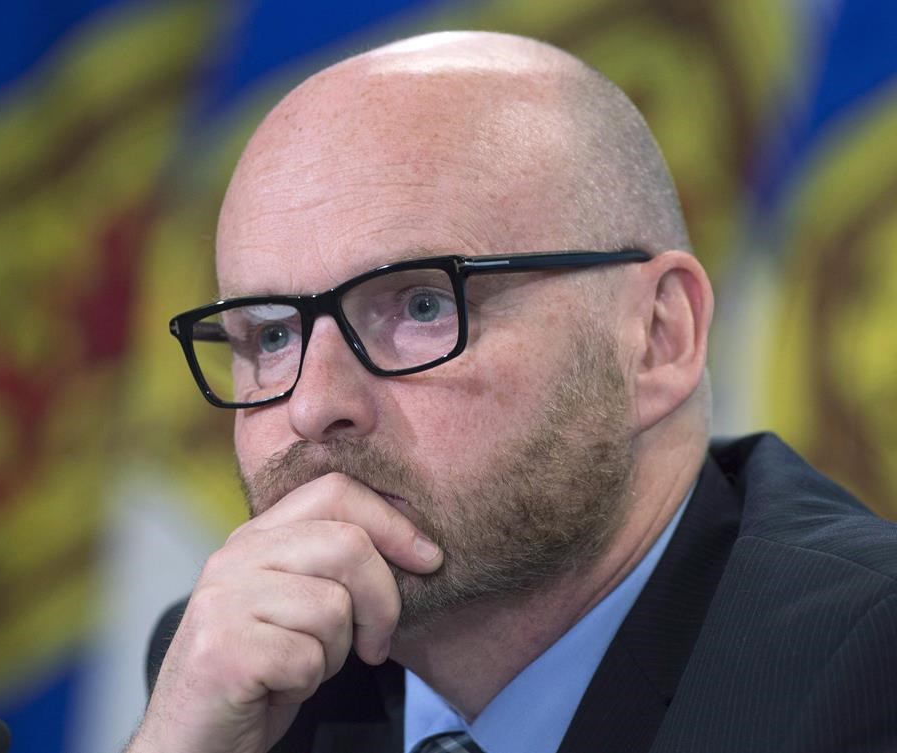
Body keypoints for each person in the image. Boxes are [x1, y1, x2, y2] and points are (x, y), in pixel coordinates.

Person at [132, 31, 897, 753]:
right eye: (270, 335)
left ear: (659, 336)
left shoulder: (868, 664)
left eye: (422, 305)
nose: (312, 404)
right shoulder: (250, 673)